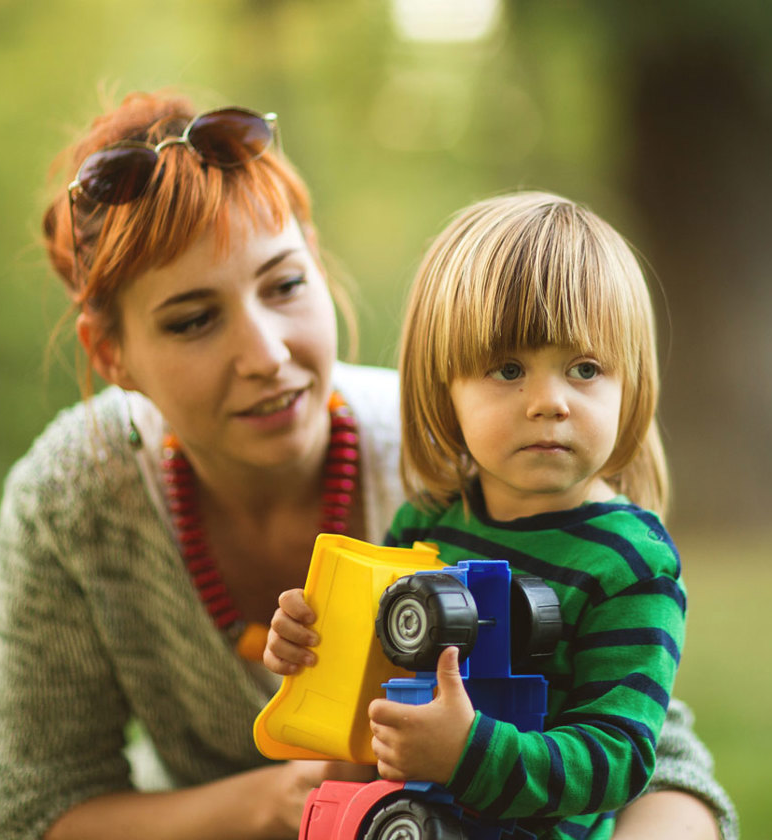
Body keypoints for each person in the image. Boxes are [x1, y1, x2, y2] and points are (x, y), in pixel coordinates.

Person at [0, 89, 737, 840]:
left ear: (317, 262)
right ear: (110, 353)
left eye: (283, 285)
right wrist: (279, 787)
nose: (267, 355)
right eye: (193, 320)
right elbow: (36, 811)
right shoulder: (71, 502)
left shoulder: (456, 461)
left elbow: (647, 746)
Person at [265, 191, 700, 840]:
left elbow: (620, 758)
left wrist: (471, 751)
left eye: (584, 369)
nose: (548, 401)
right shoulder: (427, 525)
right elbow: (371, 677)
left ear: (629, 387)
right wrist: (310, 648)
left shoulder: (630, 565)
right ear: (446, 388)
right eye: (508, 369)